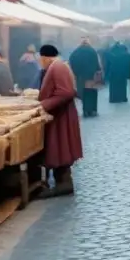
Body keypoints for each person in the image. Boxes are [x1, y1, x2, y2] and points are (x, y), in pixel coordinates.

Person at [36, 45, 83, 197]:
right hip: (61, 114)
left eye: (41, 59)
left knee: (60, 146)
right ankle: (62, 182)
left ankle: (63, 184)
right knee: (60, 147)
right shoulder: (58, 66)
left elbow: (66, 92)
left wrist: (44, 104)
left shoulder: (57, 67)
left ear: (45, 57)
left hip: (61, 115)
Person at [68, 37, 101, 117]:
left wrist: (75, 73)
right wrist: (97, 70)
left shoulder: (76, 51)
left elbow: (71, 61)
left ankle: (85, 110)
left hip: (80, 76)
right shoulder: (92, 50)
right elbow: (96, 62)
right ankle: (91, 110)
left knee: (82, 92)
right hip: (90, 75)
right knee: (90, 92)